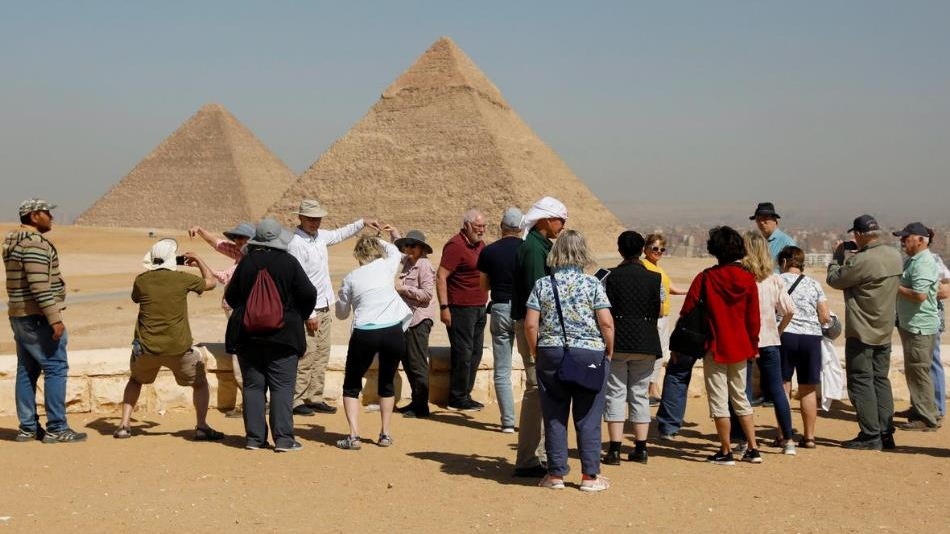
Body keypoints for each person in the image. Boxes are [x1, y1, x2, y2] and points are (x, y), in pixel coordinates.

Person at [525, 230, 614, 492]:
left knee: (554, 415)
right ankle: (590, 476)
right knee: (589, 416)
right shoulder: (593, 284)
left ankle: (555, 475)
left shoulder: (543, 284)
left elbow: (531, 324)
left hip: (551, 352)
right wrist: (608, 351)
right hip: (589, 354)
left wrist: (536, 351)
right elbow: (606, 323)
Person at [114, 239, 223, 441]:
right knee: (200, 383)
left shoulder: (142, 280)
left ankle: (123, 425)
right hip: (178, 347)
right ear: (173, 259)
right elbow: (211, 282)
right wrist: (198, 260)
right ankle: (201, 426)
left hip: (146, 347)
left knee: (135, 380)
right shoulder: (182, 279)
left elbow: (136, 298)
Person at [225, 219, 317, 451]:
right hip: (284, 336)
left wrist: (252, 310)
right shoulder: (289, 262)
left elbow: (232, 297)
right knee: (282, 387)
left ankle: (254, 439)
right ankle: (284, 439)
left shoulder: (246, 263)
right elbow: (308, 293)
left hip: (248, 336)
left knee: (253, 387)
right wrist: (296, 314)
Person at [4, 198, 87, 443]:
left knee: (26, 370)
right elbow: (39, 286)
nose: (51, 217)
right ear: (33, 216)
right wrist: (55, 319)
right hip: (38, 317)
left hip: (19, 314)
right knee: (55, 368)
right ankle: (57, 428)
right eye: (47, 213)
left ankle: (28, 428)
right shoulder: (34, 244)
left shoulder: (13, 242)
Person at [287, 198, 379, 416]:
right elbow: (297, 282)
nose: (315, 222)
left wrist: (362, 222)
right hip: (308, 309)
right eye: (310, 219)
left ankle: (314, 397)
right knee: (307, 354)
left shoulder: (319, 236)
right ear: (300, 218)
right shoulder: (295, 244)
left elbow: (339, 234)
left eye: (318, 219)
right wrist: (309, 313)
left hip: (324, 305)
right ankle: (296, 399)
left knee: (322, 353)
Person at [678, 226, 761, 466]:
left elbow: (687, 310)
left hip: (714, 346)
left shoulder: (706, 278)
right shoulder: (748, 279)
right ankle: (753, 448)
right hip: (741, 347)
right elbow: (753, 319)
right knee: (740, 398)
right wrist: (753, 345)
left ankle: (726, 451)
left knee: (718, 400)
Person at [826, 214, 902, 450]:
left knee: (860, 381)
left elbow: (834, 279)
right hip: (884, 330)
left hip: (861, 331)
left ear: (858, 235)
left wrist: (838, 256)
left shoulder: (861, 261)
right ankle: (886, 432)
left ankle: (870, 435)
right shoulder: (894, 255)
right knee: (880, 380)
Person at [335, 228, 412, 450]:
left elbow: (341, 314)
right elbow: (394, 249)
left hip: (365, 332)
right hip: (392, 331)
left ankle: (354, 436)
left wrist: (344, 300)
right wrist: (377, 239)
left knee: (351, 384)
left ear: (358, 255)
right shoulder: (387, 265)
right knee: (386, 381)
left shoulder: (351, 277)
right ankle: (385, 434)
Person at [511, 196, 568, 477]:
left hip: (537, 327)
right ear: (545, 219)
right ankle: (528, 460)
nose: (563, 225)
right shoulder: (534, 250)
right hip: (536, 328)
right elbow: (539, 296)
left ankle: (540, 456)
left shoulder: (539, 245)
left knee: (542, 390)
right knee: (536, 390)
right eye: (560, 220)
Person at [730, 232, 796, 456]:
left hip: (745, 341)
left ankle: (742, 439)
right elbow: (789, 310)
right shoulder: (774, 279)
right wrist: (778, 330)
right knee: (777, 390)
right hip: (770, 341)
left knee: (742, 391)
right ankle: (788, 439)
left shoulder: (741, 279)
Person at [602, 231, 662, 465]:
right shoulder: (654, 278)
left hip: (617, 341)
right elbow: (658, 310)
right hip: (646, 341)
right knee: (639, 394)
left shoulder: (609, 276)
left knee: (615, 393)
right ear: (641, 251)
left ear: (620, 251)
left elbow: (602, 308)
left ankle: (614, 450)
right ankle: (641, 448)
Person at [190, 222, 255, 418]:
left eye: (242, 238)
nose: (237, 241)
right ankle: (252, 402)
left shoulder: (249, 259)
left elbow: (224, 277)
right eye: (236, 238)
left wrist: (200, 263)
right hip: (239, 314)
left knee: (240, 358)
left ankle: (249, 405)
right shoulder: (241, 252)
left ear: (251, 240)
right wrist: (200, 230)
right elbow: (217, 243)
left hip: (241, 316)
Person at [777, 245, 832, 449]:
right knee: (808, 388)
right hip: (811, 338)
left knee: (783, 386)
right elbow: (824, 316)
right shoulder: (814, 284)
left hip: (785, 335)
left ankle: (783, 435)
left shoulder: (777, 280)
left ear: (784, 262)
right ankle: (809, 437)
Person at [437, 209, 489, 411]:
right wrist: (444, 307)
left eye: (484, 226)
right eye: (478, 226)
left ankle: (465, 394)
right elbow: (441, 276)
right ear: (466, 225)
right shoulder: (455, 246)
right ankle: (456, 398)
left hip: (479, 307)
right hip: (460, 309)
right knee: (463, 353)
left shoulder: (480, 245)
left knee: (475, 353)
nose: (482, 230)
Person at [477, 207, 524, 432]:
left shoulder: (489, 251)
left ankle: (507, 422)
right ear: (521, 228)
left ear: (501, 227)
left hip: (500, 308)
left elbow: (483, 286)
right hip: (525, 310)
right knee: (533, 365)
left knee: (502, 369)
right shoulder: (529, 250)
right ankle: (536, 421)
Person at [892, 222, 942, 432]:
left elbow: (920, 295)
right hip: (911, 324)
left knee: (919, 371)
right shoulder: (915, 261)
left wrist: (895, 286)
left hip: (919, 326)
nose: (903, 242)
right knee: (915, 371)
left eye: (907, 238)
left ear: (921, 240)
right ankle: (921, 409)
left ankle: (927, 417)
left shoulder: (923, 263)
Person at [394, 230, 437, 418]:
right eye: (407, 245)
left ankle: (422, 406)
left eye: (413, 245)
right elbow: (397, 249)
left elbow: (427, 294)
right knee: (407, 361)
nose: (408, 248)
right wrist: (394, 234)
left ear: (421, 248)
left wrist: (403, 289)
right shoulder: (408, 261)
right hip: (407, 319)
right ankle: (416, 401)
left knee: (417, 363)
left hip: (419, 319)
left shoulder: (424, 265)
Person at [642, 233, 688, 404]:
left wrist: (691, 291)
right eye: (655, 248)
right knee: (656, 354)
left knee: (660, 354)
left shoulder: (658, 269)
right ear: (645, 249)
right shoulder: (645, 267)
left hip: (663, 317)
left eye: (662, 249)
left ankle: (652, 387)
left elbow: (670, 288)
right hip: (655, 317)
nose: (658, 252)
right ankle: (651, 389)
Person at [750, 202, 796, 266]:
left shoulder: (787, 242)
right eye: (758, 219)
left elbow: (793, 269)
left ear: (774, 220)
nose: (761, 222)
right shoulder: (757, 242)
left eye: (765, 218)